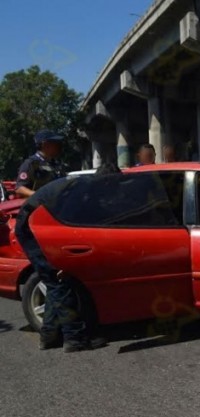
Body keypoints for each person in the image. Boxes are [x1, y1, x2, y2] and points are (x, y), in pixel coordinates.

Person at [15, 162, 122, 352]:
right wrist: (63, 259)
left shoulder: (86, 187)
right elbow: (64, 227)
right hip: (33, 229)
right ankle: (75, 339)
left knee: (53, 282)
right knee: (60, 280)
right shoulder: (80, 192)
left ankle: (48, 336)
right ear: (106, 182)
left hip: (37, 226)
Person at [15, 130, 67, 199]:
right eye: (55, 143)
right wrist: (40, 195)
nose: (58, 146)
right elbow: (19, 189)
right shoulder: (31, 164)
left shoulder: (56, 164)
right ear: (45, 144)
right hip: (40, 206)